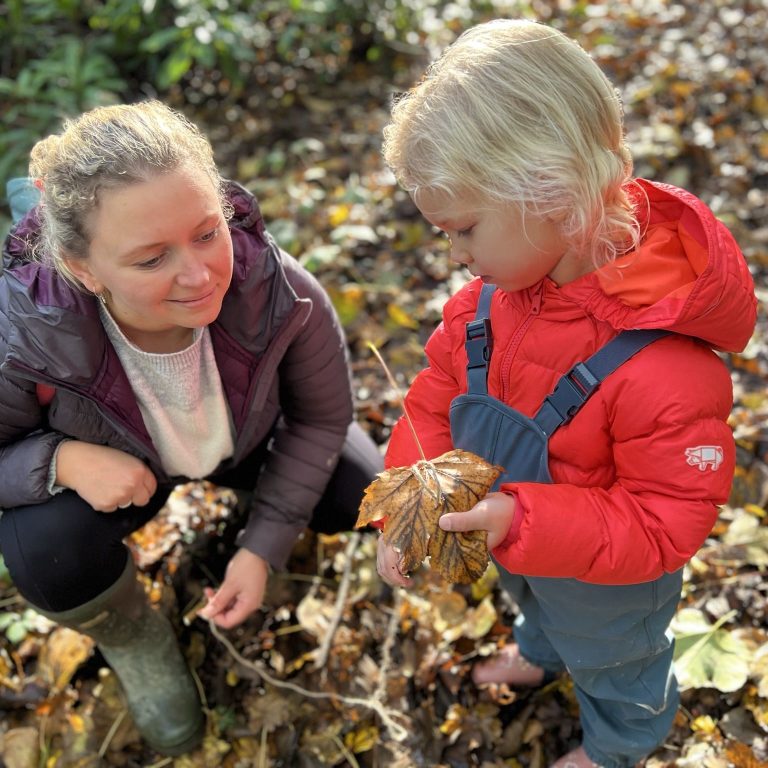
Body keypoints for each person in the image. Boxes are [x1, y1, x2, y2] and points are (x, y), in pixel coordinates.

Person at [377, 19, 756, 768]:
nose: (457, 256)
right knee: (537, 604)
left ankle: (622, 741)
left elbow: (661, 527)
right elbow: (436, 395)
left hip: (610, 575)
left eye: (465, 230)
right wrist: (408, 497)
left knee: (617, 663)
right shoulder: (486, 303)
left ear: (549, 193)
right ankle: (541, 650)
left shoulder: (665, 369)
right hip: (517, 542)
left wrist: (520, 518)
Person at [0, 100, 383, 756]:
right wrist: (62, 462)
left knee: (360, 487)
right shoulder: (25, 331)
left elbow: (321, 417)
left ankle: (248, 536)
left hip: (244, 441)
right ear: (84, 269)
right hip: (119, 471)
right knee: (43, 548)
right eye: (151, 260)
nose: (199, 274)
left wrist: (262, 548)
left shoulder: (278, 291)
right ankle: (136, 639)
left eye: (208, 233)